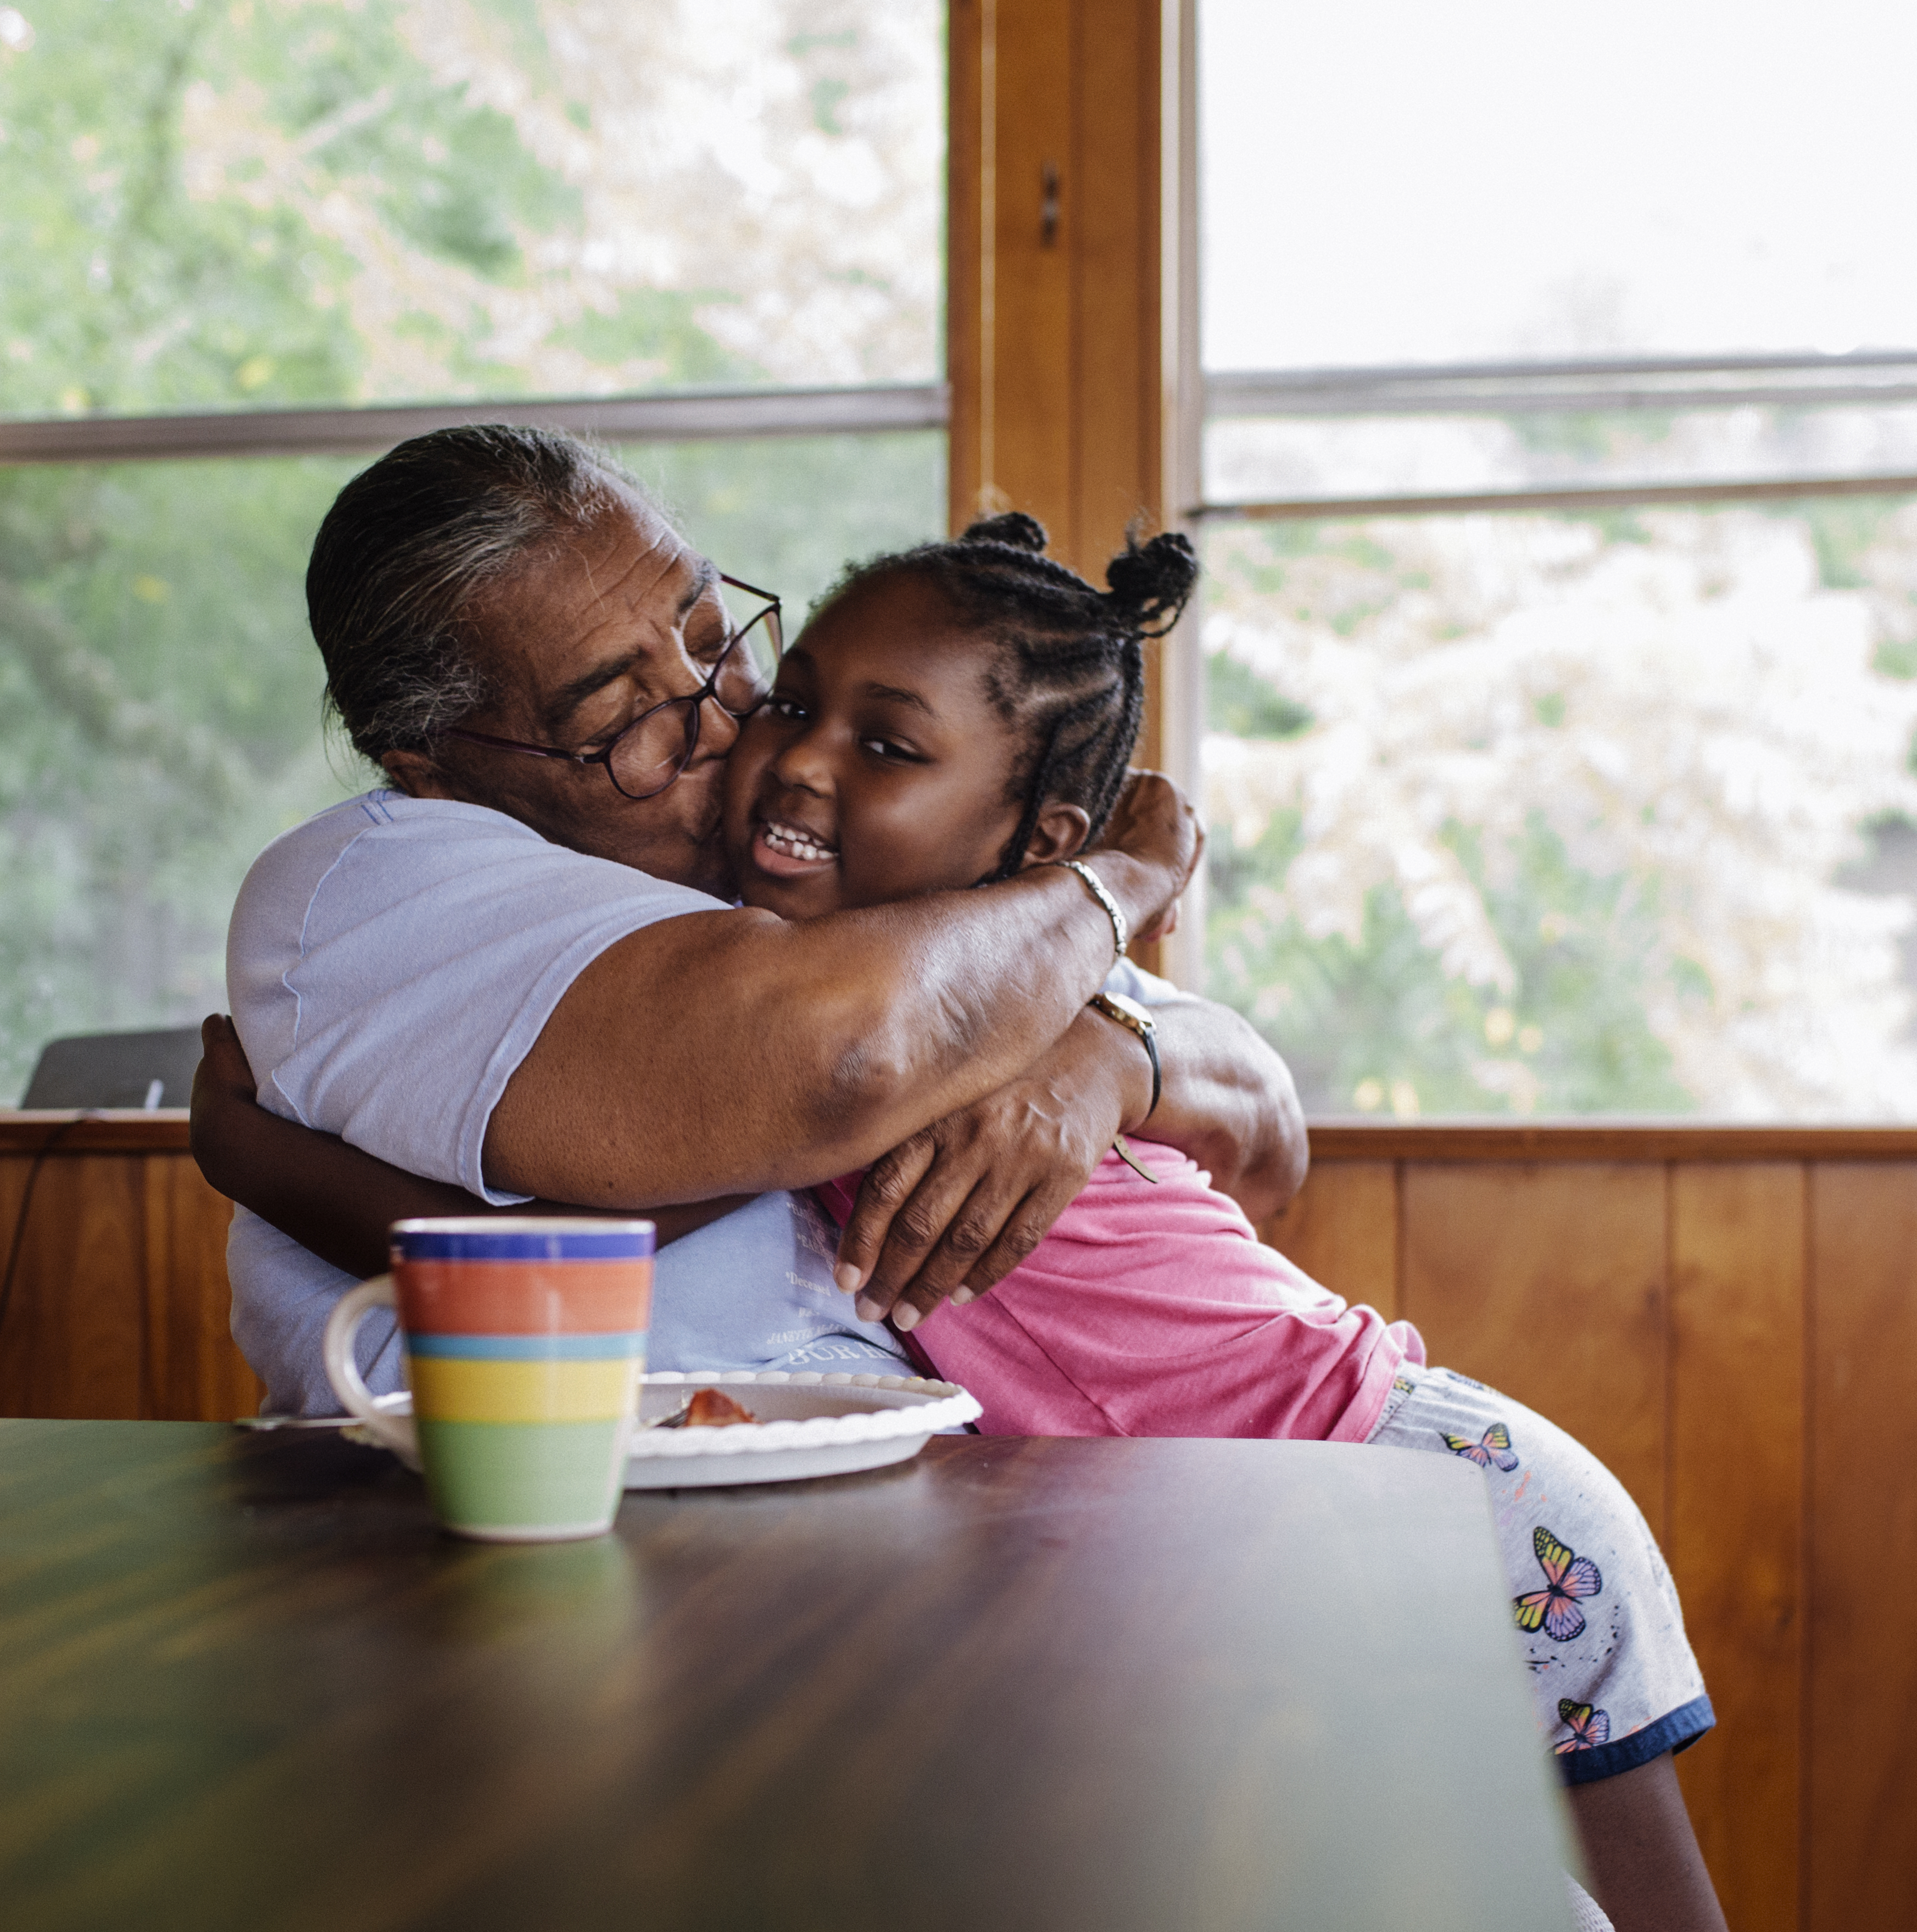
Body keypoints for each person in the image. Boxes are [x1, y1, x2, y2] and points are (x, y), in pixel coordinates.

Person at [201, 508, 1917, 1932]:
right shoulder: (722, 957)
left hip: (1437, 1506)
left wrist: (1108, 987)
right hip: (1257, 1546)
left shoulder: (910, 968)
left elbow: (1234, 1113)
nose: (743, 740)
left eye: (729, 651)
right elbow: (716, 1146)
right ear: (433, 757)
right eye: (644, 711)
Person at [214, 424, 1304, 1428]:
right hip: (553, 1539)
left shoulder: (814, 874)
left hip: (1038, 1498)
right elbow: (848, 1060)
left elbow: (1264, 1140)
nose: (729, 715)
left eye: (711, 635)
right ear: (430, 761)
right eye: (623, 713)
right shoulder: (378, 882)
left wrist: (1105, 1060)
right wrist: (1125, 877)